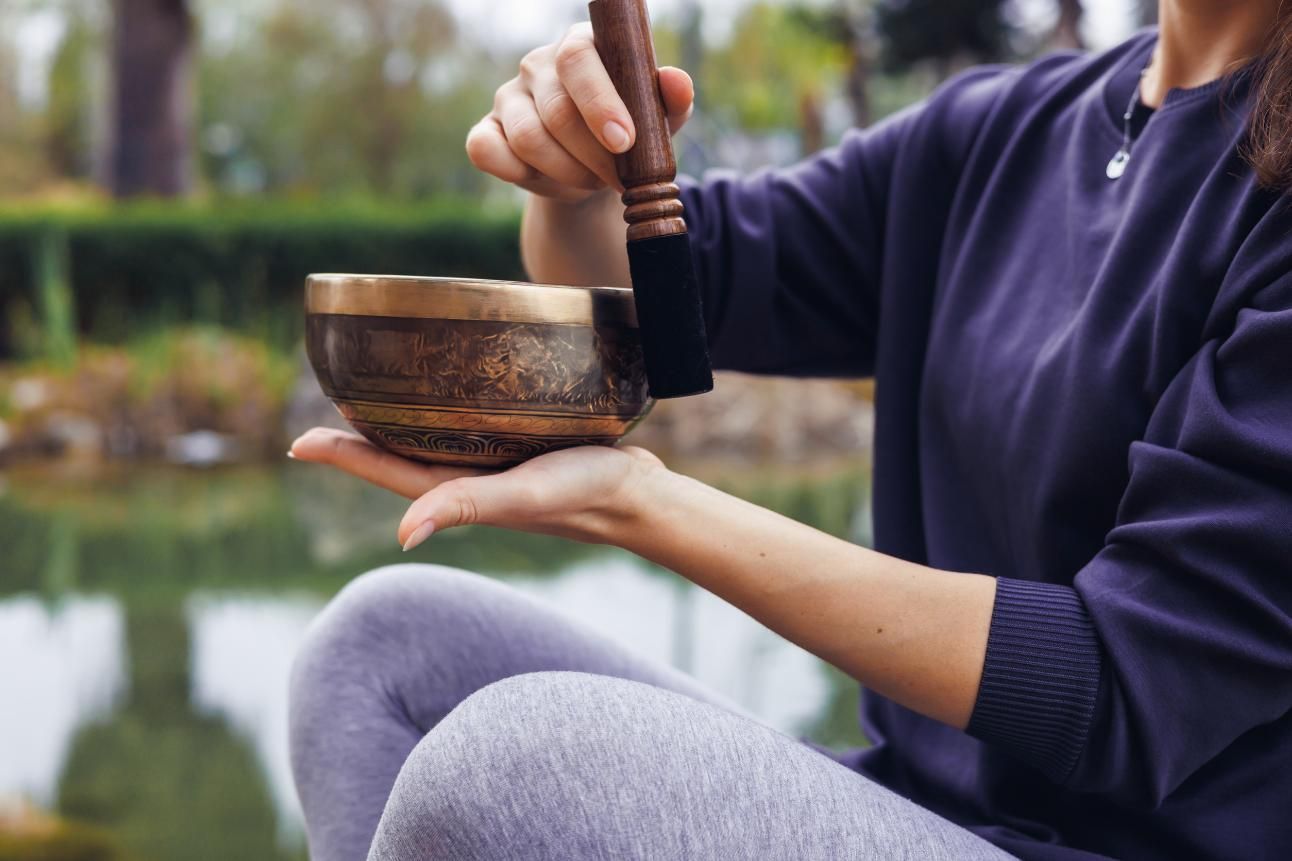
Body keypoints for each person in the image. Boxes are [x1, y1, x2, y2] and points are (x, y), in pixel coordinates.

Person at [286, 0, 1292, 857]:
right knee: (382, 650)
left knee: (508, 761)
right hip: (908, 802)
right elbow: (670, 286)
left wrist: (645, 505)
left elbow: (1124, 685)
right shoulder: (1002, 128)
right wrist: (582, 182)